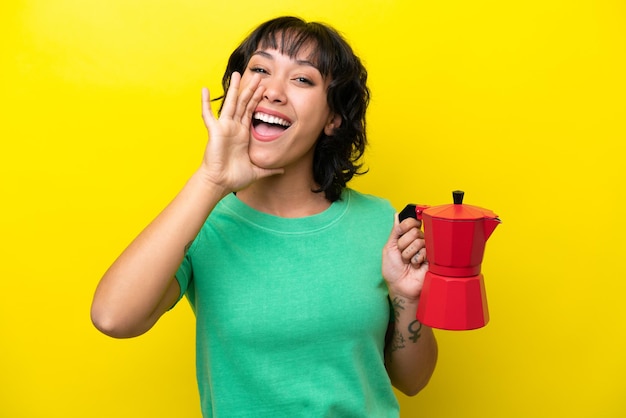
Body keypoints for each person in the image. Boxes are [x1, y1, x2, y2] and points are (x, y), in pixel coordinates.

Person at [91, 16, 437, 417]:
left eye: (302, 79)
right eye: (259, 70)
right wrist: (211, 179)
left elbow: (413, 380)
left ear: (333, 119)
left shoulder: (381, 222)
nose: (271, 91)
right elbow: (113, 317)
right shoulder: (201, 223)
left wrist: (407, 296)